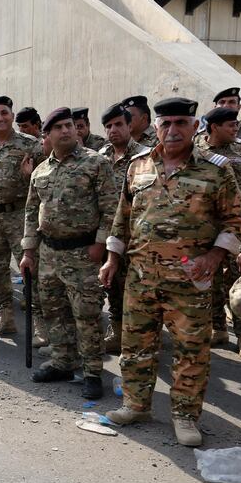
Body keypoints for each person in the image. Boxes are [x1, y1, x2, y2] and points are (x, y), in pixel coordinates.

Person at [100, 97, 241, 446]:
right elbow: (123, 217)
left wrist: (213, 257)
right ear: (156, 127)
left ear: (196, 127)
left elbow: (237, 221)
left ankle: (185, 416)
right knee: (136, 345)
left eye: (181, 122)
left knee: (191, 351)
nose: (173, 130)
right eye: (166, 123)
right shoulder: (138, 166)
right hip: (141, 277)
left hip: (190, 281)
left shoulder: (216, 169)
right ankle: (136, 404)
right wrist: (111, 259)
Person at [21, 107, 117, 400]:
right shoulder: (41, 170)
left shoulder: (96, 163)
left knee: (86, 315)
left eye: (69, 126)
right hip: (50, 253)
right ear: (46, 135)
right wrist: (29, 251)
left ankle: (92, 372)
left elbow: (111, 208)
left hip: (82, 252)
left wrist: (101, 244)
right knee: (54, 310)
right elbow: (30, 211)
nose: (66, 131)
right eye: (58, 128)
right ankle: (63, 361)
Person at [0, 96, 46, 340]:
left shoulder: (31, 145)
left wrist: (29, 177)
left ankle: (40, 325)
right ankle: (5, 318)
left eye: (4, 113)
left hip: (19, 216)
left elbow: (46, 181)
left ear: (12, 116)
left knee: (30, 272)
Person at [196, 106, 241, 356]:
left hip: (236, 228)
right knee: (210, 283)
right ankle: (218, 329)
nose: (236, 129)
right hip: (208, 229)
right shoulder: (197, 152)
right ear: (214, 128)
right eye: (230, 125)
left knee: (238, 283)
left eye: (236, 124)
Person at [97, 104, 146, 354]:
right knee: (112, 285)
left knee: (137, 289)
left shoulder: (145, 157)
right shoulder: (100, 156)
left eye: (118, 124)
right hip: (108, 234)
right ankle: (117, 330)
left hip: (137, 236)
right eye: (108, 126)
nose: (113, 130)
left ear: (130, 126)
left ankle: (141, 338)